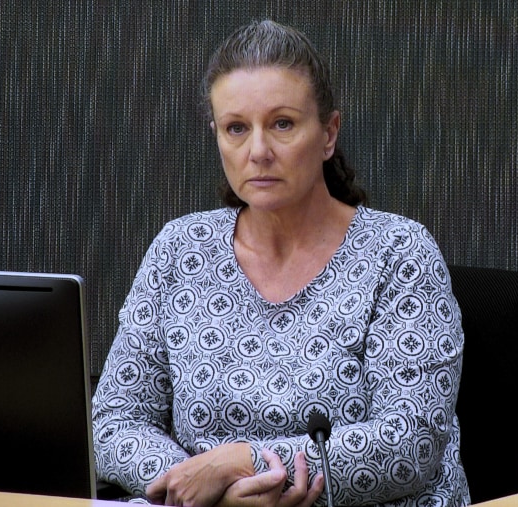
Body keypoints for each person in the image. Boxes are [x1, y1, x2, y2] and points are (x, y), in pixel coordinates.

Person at [93, 19, 470, 507]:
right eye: (236, 128)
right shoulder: (179, 248)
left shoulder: (400, 252)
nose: (258, 151)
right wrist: (205, 489)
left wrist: (242, 463)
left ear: (329, 133)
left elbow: (410, 445)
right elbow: (116, 420)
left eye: (283, 124)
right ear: (217, 135)